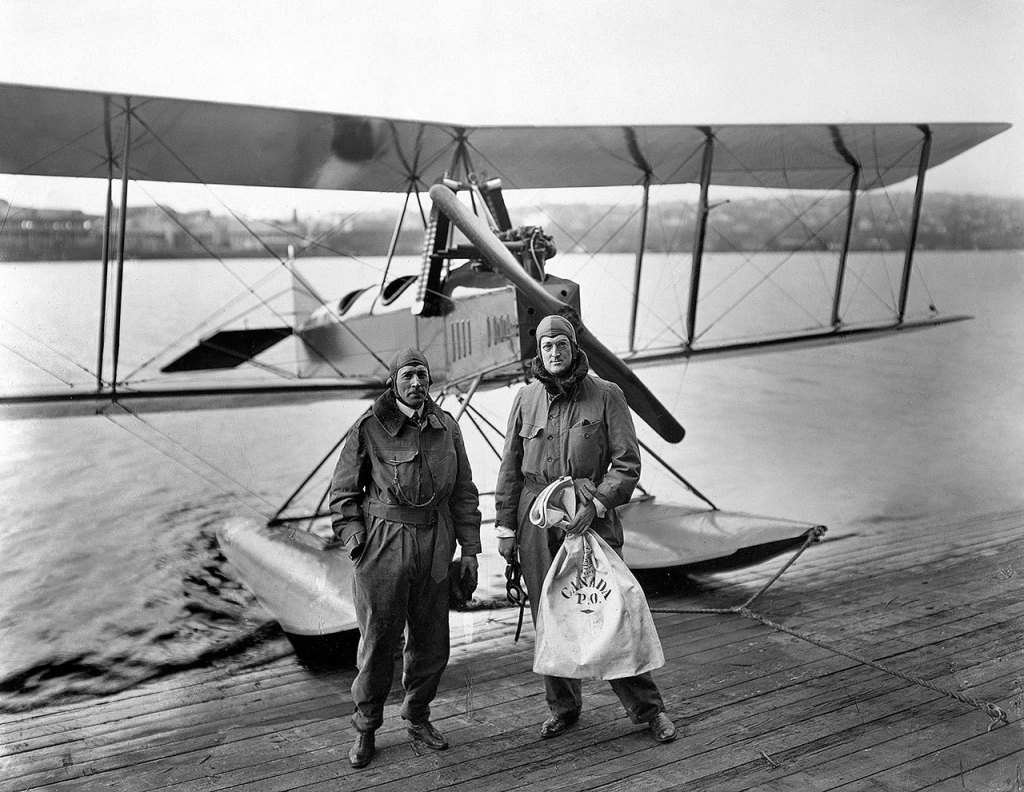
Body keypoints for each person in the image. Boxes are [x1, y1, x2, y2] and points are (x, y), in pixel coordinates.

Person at [494, 315, 677, 743]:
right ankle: (564, 708)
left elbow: (627, 464)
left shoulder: (607, 394)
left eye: (561, 344)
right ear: (538, 352)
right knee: (550, 615)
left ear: (574, 348)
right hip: (537, 520)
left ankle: (649, 711)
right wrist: (505, 528)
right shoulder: (525, 399)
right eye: (546, 346)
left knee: (612, 613)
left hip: (591, 517)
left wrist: (595, 504)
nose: (554, 353)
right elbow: (510, 470)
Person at [330, 348, 482, 769]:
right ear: (394, 382)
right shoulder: (367, 427)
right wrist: (358, 544)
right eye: (408, 376)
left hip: (436, 542)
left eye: (423, 375)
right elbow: (344, 495)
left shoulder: (446, 427)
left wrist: (469, 549)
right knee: (379, 642)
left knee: (432, 643)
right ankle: (366, 728)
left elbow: (463, 492)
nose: (417, 383)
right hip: (383, 546)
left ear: (430, 381)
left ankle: (417, 716)